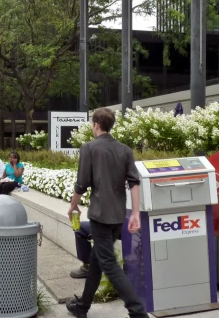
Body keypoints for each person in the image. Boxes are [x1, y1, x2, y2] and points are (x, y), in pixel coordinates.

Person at [66, 108, 146, 318]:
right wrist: (135, 213)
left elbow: (81, 184)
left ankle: (138, 312)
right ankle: (82, 306)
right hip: (118, 215)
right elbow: (134, 182)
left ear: (95, 125)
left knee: (108, 263)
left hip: (100, 214)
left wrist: (73, 205)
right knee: (97, 260)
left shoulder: (89, 148)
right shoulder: (125, 150)